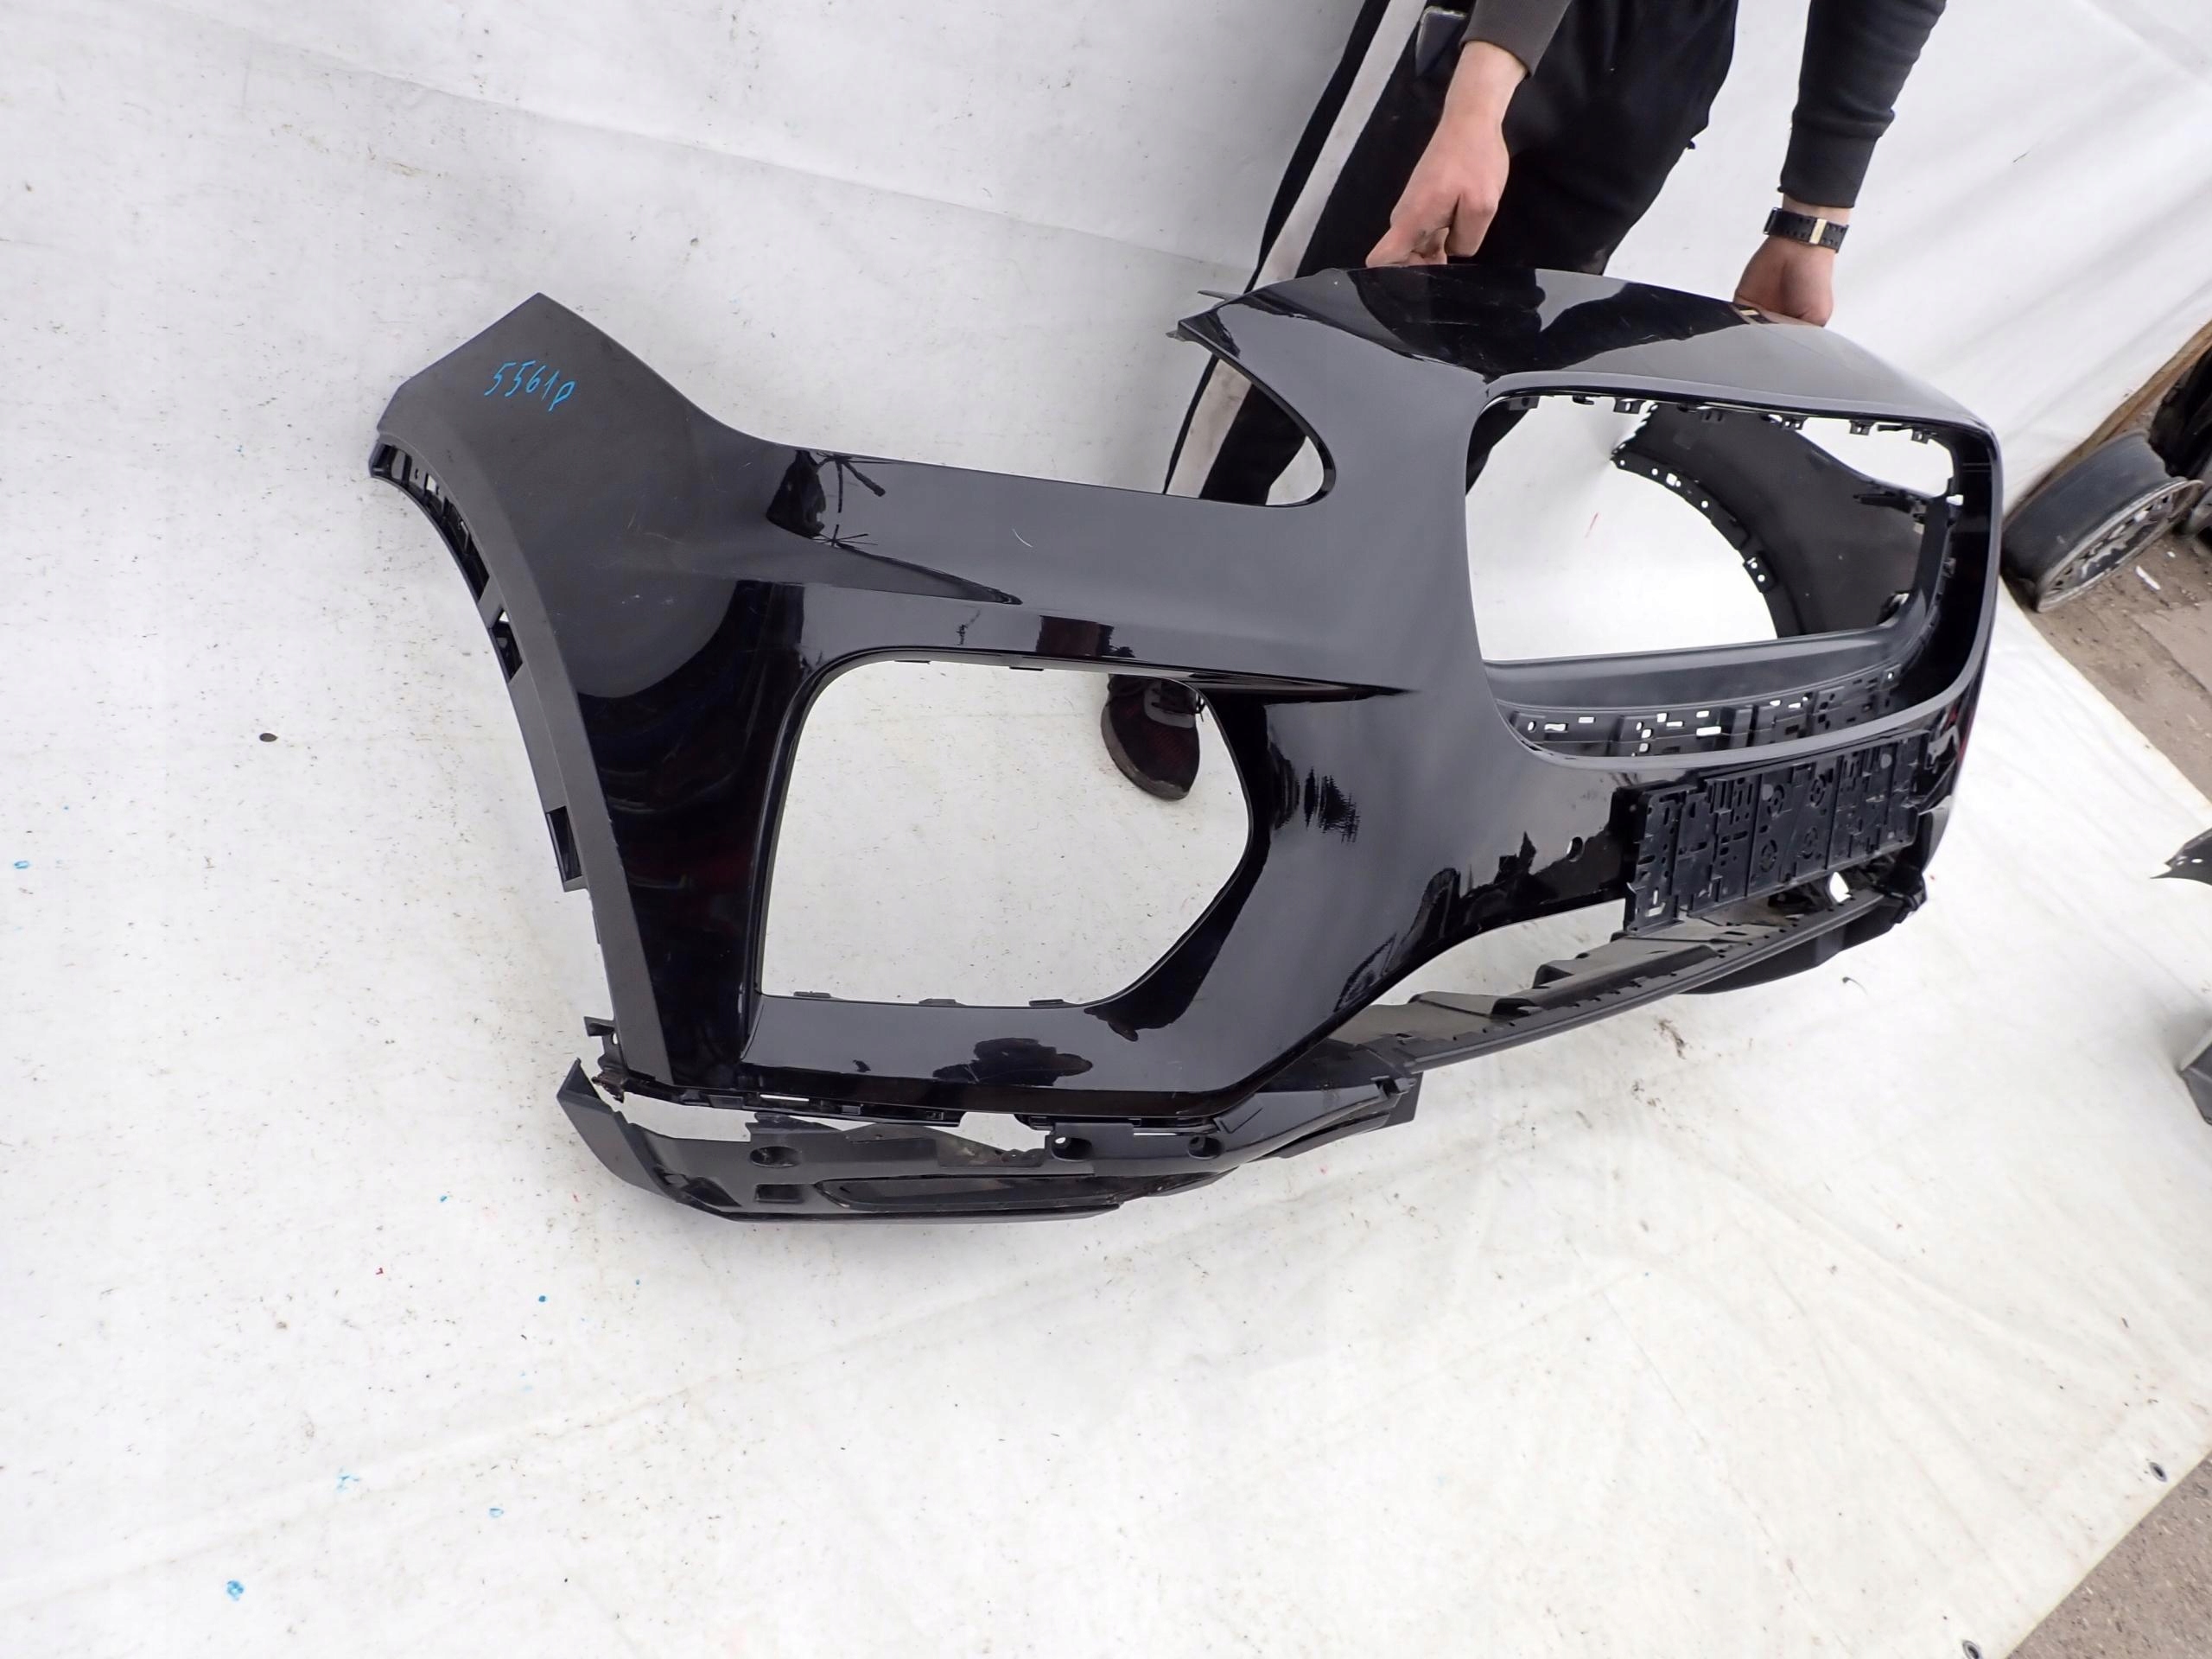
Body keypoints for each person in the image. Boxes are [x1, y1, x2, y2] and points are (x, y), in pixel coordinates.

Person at [1102, 0, 1947, 800]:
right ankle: (1179, 611)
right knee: (1311, 325)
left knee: (1483, 386)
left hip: (1665, 52)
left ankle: (1324, 642)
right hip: (1478, 22)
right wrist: (1479, 96)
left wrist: (1813, 218)